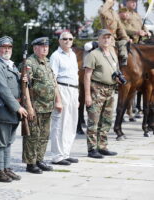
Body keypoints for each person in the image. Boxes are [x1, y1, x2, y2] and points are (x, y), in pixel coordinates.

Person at [0, 36, 28, 182]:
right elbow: (3, 90)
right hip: (4, 110)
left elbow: (17, 86)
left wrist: (24, 79)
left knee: (8, 142)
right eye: (3, 47)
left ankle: (6, 168)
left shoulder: (11, 65)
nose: (6, 50)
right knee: (0, 142)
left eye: (9, 47)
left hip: (13, 111)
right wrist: (17, 107)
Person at [22, 37, 59, 174]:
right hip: (36, 106)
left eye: (47, 46)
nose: (45, 48)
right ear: (35, 48)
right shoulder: (30, 63)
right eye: (42, 46)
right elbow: (25, 86)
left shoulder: (47, 62)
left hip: (47, 106)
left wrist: (57, 99)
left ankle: (39, 159)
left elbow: (52, 81)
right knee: (33, 136)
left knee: (44, 135)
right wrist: (29, 107)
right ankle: (30, 163)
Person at [84, 29, 119, 159]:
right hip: (97, 89)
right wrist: (87, 95)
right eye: (104, 37)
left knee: (107, 120)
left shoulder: (112, 53)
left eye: (108, 38)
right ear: (98, 39)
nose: (106, 40)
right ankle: (92, 148)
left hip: (110, 90)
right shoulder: (93, 54)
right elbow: (87, 76)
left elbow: (115, 69)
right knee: (94, 120)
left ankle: (102, 146)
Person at [49, 32, 79, 166]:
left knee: (71, 123)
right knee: (60, 123)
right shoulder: (56, 56)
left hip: (73, 89)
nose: (67, 41)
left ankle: (66, 152)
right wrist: (57, 99)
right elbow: (53, 78)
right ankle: (57, 155)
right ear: (59, 41)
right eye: (64, 39)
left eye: (70, 39)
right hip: (62, 88)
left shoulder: (72, 54)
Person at [99, 0, 130, 66]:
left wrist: (126, 38)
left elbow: (120, 27)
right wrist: (108, 2)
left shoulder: (114, 12)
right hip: (106, 38)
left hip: (115, 38)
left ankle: (122, 64)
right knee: (111, 55)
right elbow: (102, 12)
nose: (114, 1)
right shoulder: (102, 9)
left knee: (125, 44)